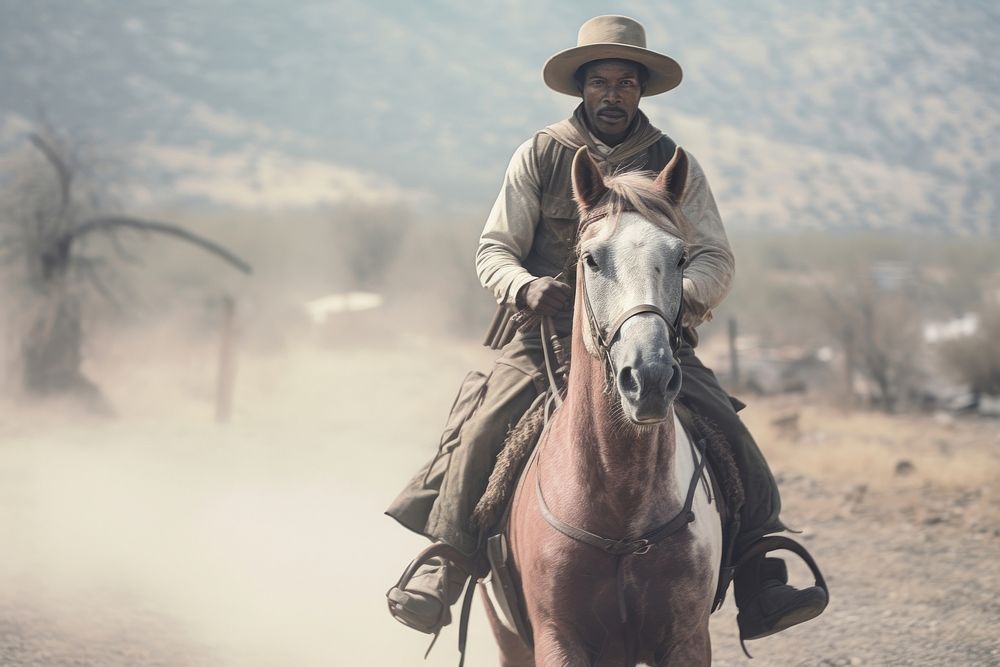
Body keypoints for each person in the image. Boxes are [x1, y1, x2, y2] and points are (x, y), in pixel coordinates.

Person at [386, 14, 827, 645]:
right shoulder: (540, 154)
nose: (613, 94)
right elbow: (493, 248)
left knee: (723, 424)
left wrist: (671, 302)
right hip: (547, 336)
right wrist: (526, 287)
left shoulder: (675, 165)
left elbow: (714, 255)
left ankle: (761, 564)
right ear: (582, 89)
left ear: (641, 90)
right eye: (601, 82)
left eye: (625, 82)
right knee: (484, 424)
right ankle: (448, 561)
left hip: (649, 333)